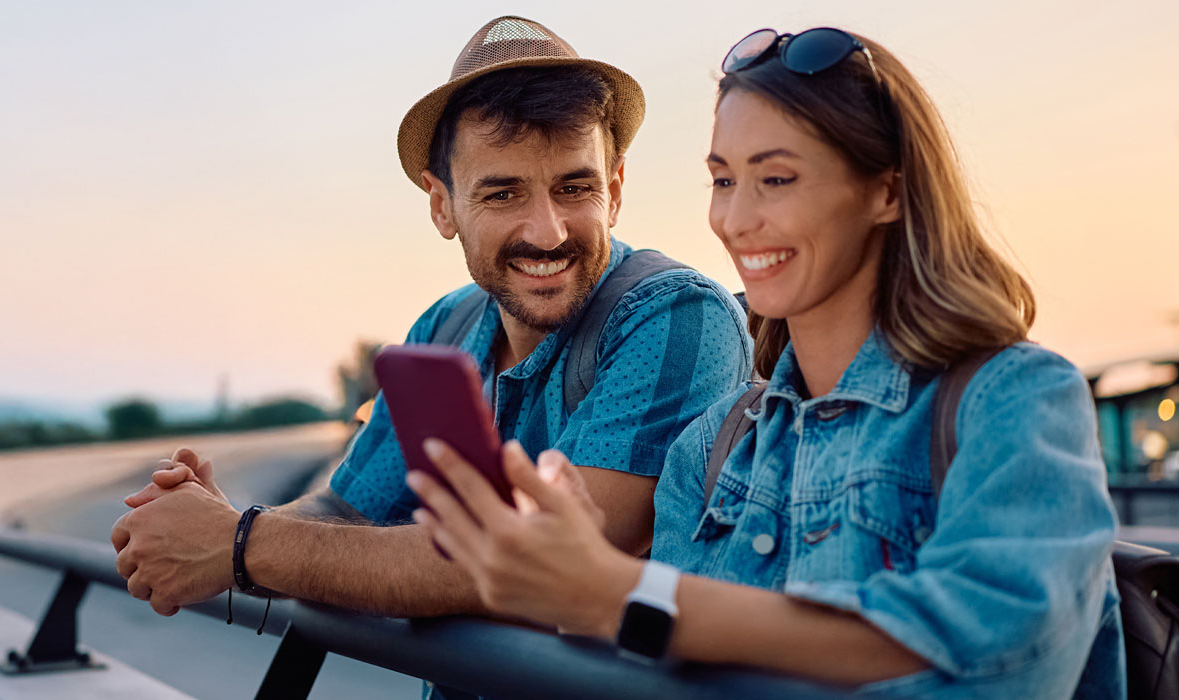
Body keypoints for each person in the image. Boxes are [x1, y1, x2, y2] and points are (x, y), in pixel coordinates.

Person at [408, 27, 1123, 698]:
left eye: (775, 180)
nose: (736, 219)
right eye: (723, 180)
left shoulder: (1018, 398)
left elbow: (996, 657)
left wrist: (626, 595)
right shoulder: (713, 450)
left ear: (889, 190)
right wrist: (567, 580)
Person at [110, 14, 750, 639]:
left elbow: (543, 566)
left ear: (613, 189)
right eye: (502, 194)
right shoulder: (447, 325)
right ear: (442, 205)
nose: (547, 231)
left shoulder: (675, 317)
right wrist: (221, 527)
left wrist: (242, 545)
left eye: (574, 188)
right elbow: (348, 510)